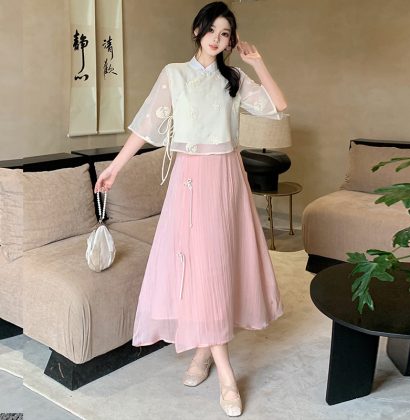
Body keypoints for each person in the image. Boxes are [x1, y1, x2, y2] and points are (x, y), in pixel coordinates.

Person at [94, 1, 287, 416]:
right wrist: (114, 168)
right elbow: (146, 127)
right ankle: (226, 375)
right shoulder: (174, 74)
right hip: (191, 180)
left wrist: (257, 62)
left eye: (225, 34)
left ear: (231, 41)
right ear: (198, 30)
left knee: (219, 265)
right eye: (212, 30)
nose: (217, 39)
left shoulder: (234, 79)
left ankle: (203, 353)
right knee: (201, 267)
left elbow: (278, 105)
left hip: (227, 177)